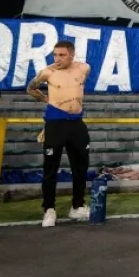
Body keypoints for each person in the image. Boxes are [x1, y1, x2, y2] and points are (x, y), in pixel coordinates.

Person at [26, 40, 92, 228]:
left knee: (80, 167)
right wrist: (45, 98)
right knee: (50, 169)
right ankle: (49, 209)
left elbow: (78, 86)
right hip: (55, 124)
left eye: (62, 55)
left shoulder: (84, 68)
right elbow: (30, 88)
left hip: (77, 123)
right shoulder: (48, 72)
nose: (57, 59)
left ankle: (77, 206)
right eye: (55, 55)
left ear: (72, 54)